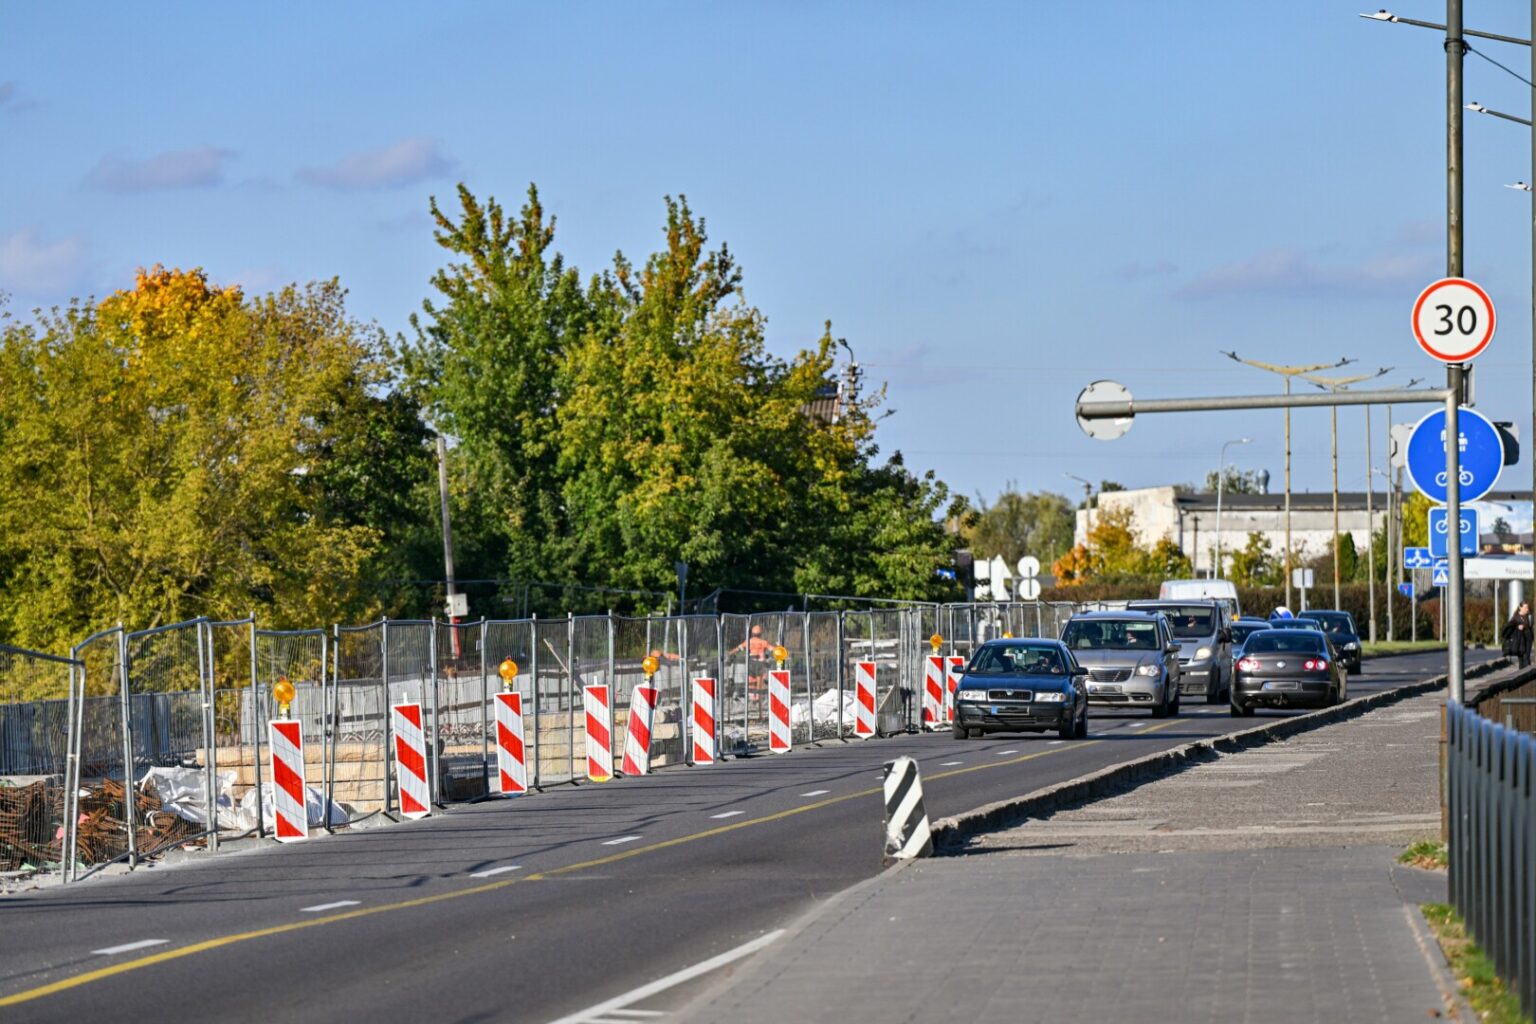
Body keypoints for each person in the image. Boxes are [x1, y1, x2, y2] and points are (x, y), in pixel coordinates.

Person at [1501, 601, 1533, 669]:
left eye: (1527, 608)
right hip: (1520, 639)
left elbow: (1531, 626)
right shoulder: (1515, 617)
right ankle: (1522, 670)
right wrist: (1517, 627)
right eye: (1525, 608)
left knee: (1527, 656)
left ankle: (1527, 670)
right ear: (1520, 608)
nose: (1527, 609)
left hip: (1528, 638)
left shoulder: (1529, 616)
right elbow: (1510, 627)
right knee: (1521, 657)